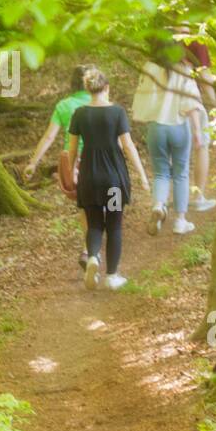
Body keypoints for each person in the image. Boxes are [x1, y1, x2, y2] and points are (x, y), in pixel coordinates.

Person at [67, 67, 150, 290]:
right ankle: (112, 276)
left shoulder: (79, 114)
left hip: (90, 180)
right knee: (114, 225)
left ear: (87, 89)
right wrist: (142, 175)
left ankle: (93, 256)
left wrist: (71, 173)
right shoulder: (117, 113)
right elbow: (128, 146)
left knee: (94, 223)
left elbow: (72, 149)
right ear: (107, 88)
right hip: (113, 181)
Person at [132, 43, 203, 236]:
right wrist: (197, 131)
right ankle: (180, 221)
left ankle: (159, 205)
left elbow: (141, 98)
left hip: (156, 128)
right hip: (179, 126)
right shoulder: (184, 70)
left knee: (160, 172)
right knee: (181, 173)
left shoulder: (149, 68)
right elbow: (191, 102)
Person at [24, 65, 91, 266]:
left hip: (73, 163)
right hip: (100, 158)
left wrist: (33, 163)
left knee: (85, 206)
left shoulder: (64, 105)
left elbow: (49, 136)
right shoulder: (101, 103)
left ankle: (88, 249)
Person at [178, 25, 216, 213]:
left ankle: (171, 200)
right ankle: (198, 196)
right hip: (190, 100)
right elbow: (205, 77)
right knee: (201, 146)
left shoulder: (162, 37)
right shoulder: (196, 40)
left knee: (175, 149)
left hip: (165, 102)